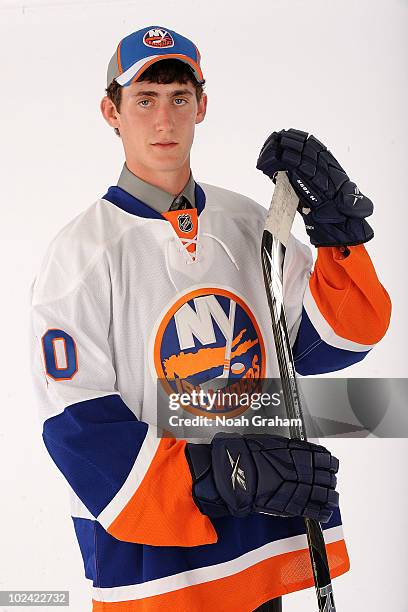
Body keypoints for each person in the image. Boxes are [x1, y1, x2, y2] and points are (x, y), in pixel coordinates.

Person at [30, 25, 391, 612]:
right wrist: (210, 476)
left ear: (203, 104)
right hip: (157, 572)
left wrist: (338, 236)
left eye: (178, 97)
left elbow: (340, 342)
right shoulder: (79, 253)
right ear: (111, 112)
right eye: (144, 99)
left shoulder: (248, 222)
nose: (164, 120)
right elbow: (75, 425)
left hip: (258, 545)